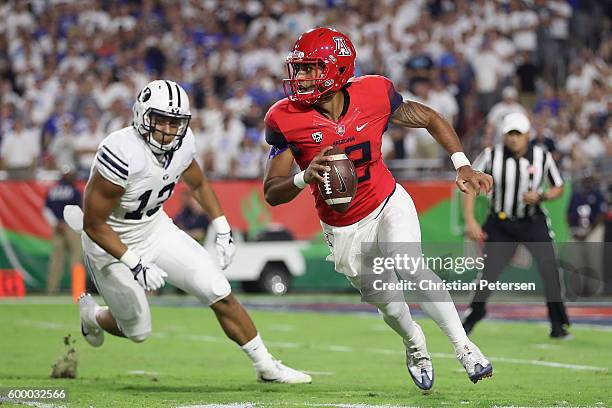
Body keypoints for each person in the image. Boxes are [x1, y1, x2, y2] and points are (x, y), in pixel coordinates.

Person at [262, 27, 494, 391]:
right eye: (299, 69)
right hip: (342, 228)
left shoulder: (373, 93)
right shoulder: (286, 118)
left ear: (337, 69)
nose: (301, 77)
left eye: (310, 68)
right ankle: (415, 344)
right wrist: (302, 177)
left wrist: (461, 163)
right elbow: (272, 193)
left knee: (411, 268)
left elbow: (430, 117)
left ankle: (465, 347)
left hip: (387, 201)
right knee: (389, 305)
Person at [76, 79, 311, 384]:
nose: (168, 130)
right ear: (141, 116)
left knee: (217, 288)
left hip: (153, 228)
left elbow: (198, 183)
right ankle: (92, 316)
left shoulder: (183, 144)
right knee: (137, 329)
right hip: (111, 241)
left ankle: (266, 365)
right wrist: (135, 263)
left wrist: (223, 227)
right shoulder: (121, 152)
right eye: (161, 120)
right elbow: (94, 224)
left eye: (176, 122)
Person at [463, 112, 571, 339]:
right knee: (489, 273)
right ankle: (474, 314)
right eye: (509, 134)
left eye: (518, 134)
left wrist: (542, 196)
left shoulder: (542, 156)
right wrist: (471, 219)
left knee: (550, 269)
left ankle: (558, 323)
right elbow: (470, 184)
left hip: (532, 221)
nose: (513, 139)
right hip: (501, 223)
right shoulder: (492, 155)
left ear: (527, 135)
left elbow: (558, 186)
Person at [43, 166, 82, 294]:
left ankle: (51, 290)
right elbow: (79, 209)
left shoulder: (52, 191)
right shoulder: (74, 191)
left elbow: (46, 209)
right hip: (71, 228)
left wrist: (56, 223)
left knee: (56, 260)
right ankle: (78, 290)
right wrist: (67, 223)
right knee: (76, 258)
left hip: (57, 228)